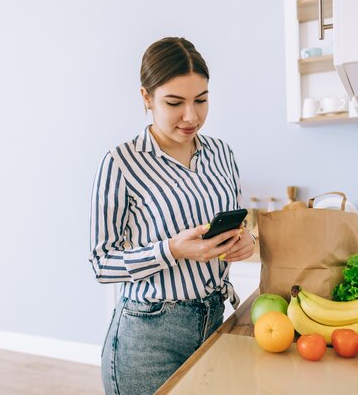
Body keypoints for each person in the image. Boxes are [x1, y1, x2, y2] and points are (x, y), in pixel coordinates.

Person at [89, 36, 255, 395]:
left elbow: (237, 222)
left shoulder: (222, 154)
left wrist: (245, 239)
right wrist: (172, 250)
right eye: (174, 102)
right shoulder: (121, 163)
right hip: (149, 337)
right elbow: (102, 264)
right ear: (146, 98)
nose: (191, 116)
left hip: (214, 318)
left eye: (201, 100)